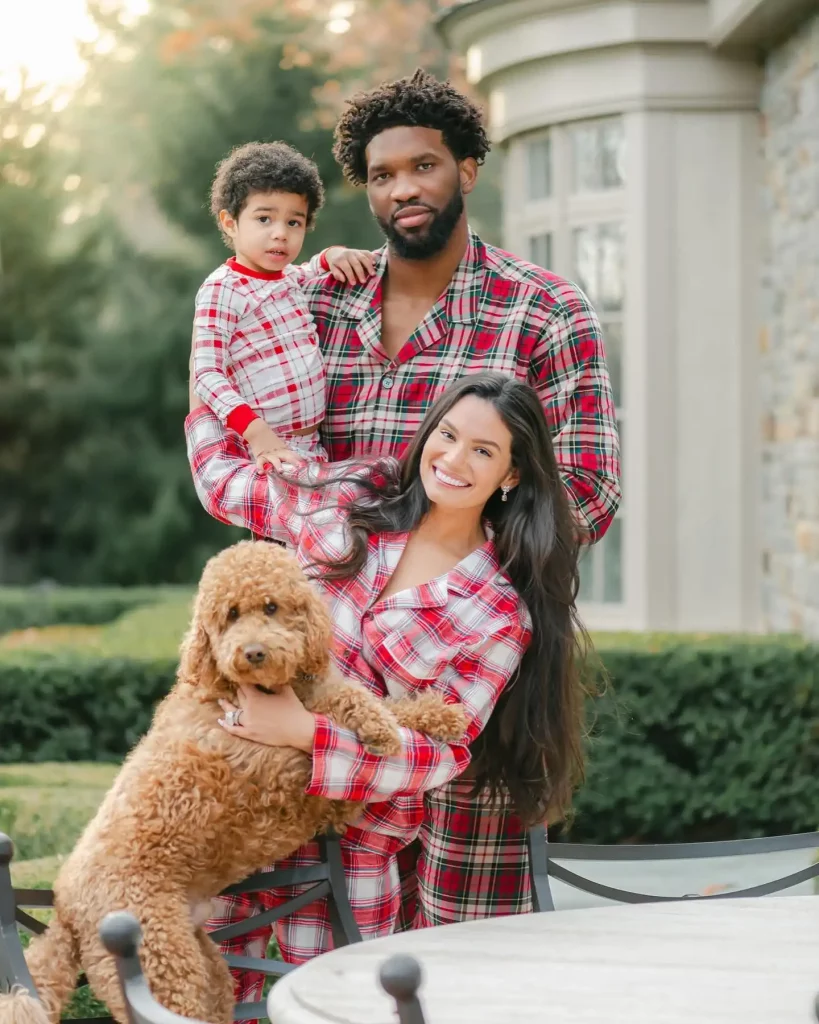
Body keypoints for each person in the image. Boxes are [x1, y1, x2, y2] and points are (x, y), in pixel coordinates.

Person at [296, 69, 622, 930]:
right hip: (328, 680)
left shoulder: (543, 310)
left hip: (469, 698)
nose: (403, 188)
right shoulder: (325, 309)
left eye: (425, 165)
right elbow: (271, 461)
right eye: (382, 174)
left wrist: (453, 593)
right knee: (311, 932)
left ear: (468, 170)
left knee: (464, 952)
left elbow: (587, 487)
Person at [186, 370, 587, 1011]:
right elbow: (236, 487)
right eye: (448, 435)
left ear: (510, 475)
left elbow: (440, 755)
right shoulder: (354, 499)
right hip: (232, 807)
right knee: (197, 1001)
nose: (453, 459)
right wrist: (208, 374)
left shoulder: (497, 611)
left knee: (337, 1009)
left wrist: (305, 734)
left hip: (348, 853)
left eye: (483, 451)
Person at [192, 141, 375, 472]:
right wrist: (256, 432)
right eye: (264, 219)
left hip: (313, 447)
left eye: (294, 222)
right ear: (230, 222)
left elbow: (307, 272)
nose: (280, 234)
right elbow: (206, 373)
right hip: (268, 449)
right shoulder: (222, 289)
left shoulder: (288, 278)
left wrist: (331, 255)